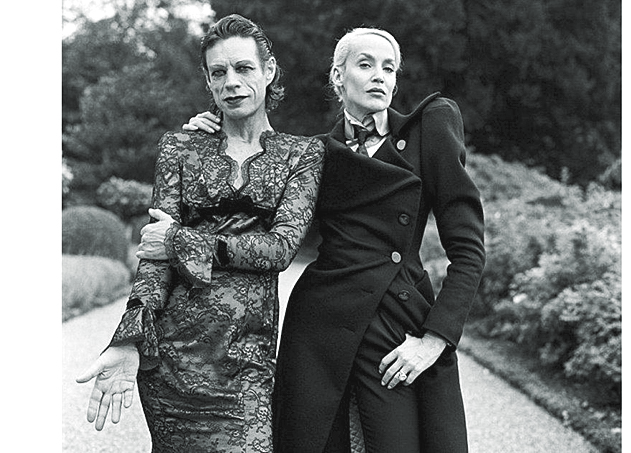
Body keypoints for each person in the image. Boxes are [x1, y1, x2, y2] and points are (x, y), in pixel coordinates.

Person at [186, 27, 485, 453]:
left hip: (398, 322)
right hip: (318, 325)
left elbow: (469, 250)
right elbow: (248, 214)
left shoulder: (430, 129)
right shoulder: (314, 155)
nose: (379, 75)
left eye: (389, 68)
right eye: (365, 64)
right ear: (338, 77)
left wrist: (435, 339)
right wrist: (213, 141)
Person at [75, 14, 324, 453]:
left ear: (269, 71)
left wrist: (180, 240)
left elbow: (279, 249)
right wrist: (128, 339)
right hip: (172, 362)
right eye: (218, 72)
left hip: (246, 360)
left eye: (243, 68)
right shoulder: (180, 147)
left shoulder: (301, 154)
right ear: (208, 82)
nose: (231, 82)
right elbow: (154, 260)